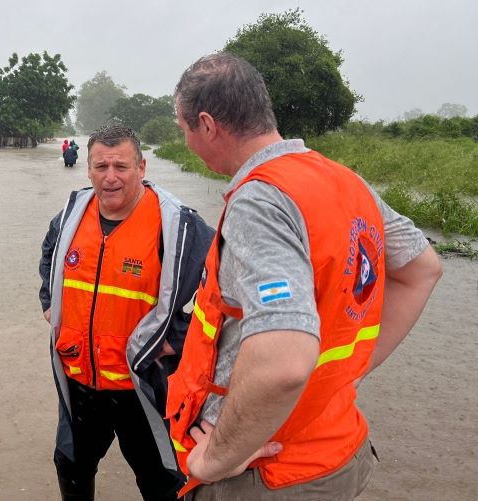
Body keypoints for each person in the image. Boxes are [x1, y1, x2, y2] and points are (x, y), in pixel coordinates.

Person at [167, 53, 443, 500]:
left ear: (207, 124)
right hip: (339, 449)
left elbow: (284, 361)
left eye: (184, 131)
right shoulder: (343, 180)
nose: (187, 145)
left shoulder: (259, 201)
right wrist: (350, 374)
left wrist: (214, 457)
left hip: (269, 474)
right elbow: (421, 269)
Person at [39, 122, 215, 500]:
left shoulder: (179, 226)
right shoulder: (70, 215)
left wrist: (181, 338)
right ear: (88, 169)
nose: (110, 177)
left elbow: (223, 293)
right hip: (80, 382)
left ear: (142, 168)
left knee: (163, 482)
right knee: (70, 466)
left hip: (146, 387)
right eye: (101, 167)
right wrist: (49, 304)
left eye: (121, 166)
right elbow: (49, 260)